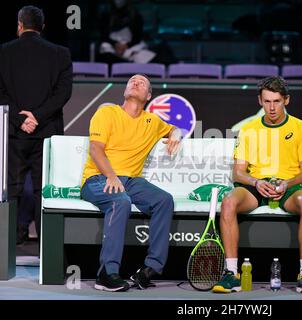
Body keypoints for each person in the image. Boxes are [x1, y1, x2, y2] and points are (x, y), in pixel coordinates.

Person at [213, 76, 302, 295]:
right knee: (228, 201)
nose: (272, 108)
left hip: (288, 187)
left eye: (276, 101)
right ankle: (232, 274)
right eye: (267, 102)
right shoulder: (248, 130)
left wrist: (286, 183)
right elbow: (238, 171)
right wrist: (256, 182)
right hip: (256, 186)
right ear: (260, 101)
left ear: (286, 100)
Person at [81, 74, 181, 292]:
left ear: (148, 96)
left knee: (164, 200)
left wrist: (176, 133)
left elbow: (173, 128)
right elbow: (96, 150)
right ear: (125, 91)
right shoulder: (107, 112)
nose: (135, 82)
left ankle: (149, 270)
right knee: (121, 202)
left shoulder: (152, 121)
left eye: (141, 82)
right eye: (131, 81)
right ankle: (106, 273)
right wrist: (111, 176)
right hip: (97, 178)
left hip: (132, 181)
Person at [0, 6, 73, 245]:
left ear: (19, 25)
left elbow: (0, 94)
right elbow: (63, 94)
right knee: (46, 192)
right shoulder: (61, 53)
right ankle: (48, 252)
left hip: (13, 133)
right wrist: (38, 117)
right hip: (47, 134)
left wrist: (21, 120)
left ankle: (6, 249)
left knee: (11, 190)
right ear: (43, 27)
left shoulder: (3, 52)